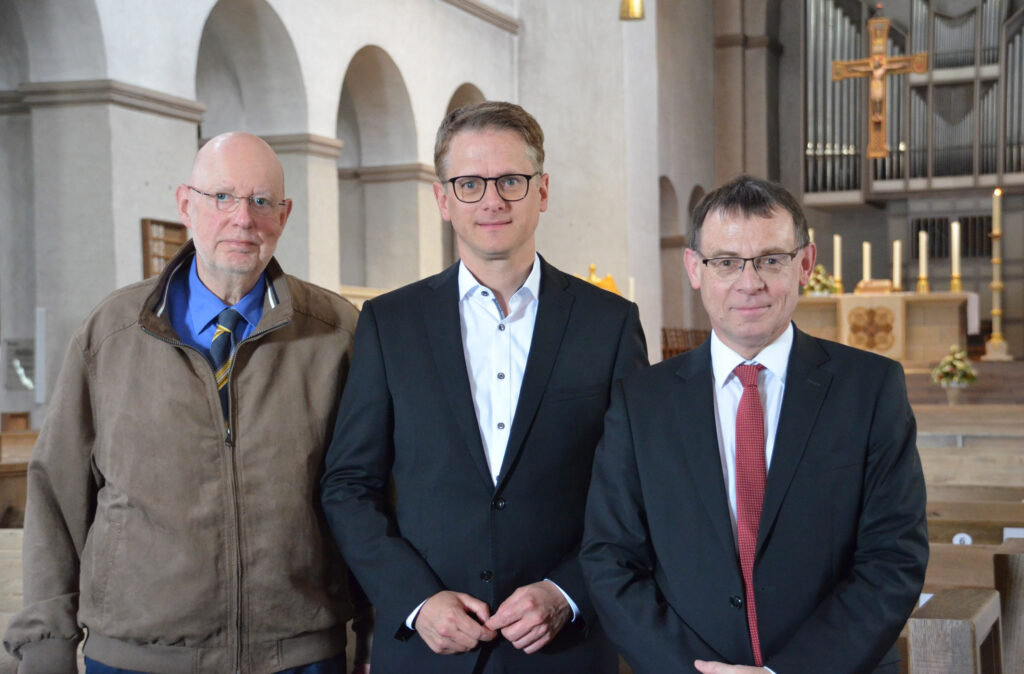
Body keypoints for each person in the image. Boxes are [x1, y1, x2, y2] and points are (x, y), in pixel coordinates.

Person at [3, 132, 366, 673]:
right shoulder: (111, 334)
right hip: (136, 657)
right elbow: (58, 495)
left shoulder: (338, 335)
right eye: (222, 197)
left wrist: (380, 635)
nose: (243, 218)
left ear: (284, 215)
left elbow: (373, 493)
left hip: (298, 654)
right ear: (186, 205)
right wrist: (45, 645)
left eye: (261, 201)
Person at [320, 101, 648, 673]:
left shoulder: (609, 324)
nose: (491, 200)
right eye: (469, 183)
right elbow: (349, 485)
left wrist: (569, 592)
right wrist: (415, 601)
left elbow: (639, 488)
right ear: (443, 199)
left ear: (542, 191)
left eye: (511, 181)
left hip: (562, 649)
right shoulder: (389, 323)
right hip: (428, 650)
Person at [581, 175, 928, 674]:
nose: (750, 283)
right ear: (695, 269)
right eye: (725, 262)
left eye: (771, 260)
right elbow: (610, 559)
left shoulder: (870, 389)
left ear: (805, 264)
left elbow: (893, 559)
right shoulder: (641, 402)